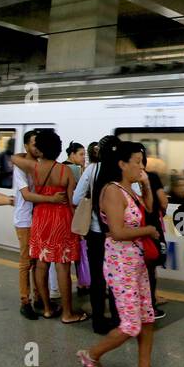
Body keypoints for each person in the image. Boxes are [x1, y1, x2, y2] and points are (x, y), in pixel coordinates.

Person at [77, 139, 170, 367]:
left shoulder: (130, 188)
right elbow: (117, 231)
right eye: (137, 162)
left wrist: (146, 184)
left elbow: (150, 207)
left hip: (137, 262)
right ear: (121, 164)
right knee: (130, 324)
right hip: (121, 263)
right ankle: (91, 355)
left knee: (148, 317)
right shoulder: (111, 191)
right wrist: (149, 230)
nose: (141, 167)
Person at [9, 129, 85, 324]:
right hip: (61, 218)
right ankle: (68, 313)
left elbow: (15, 159)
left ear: (40, 149)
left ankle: (48, 309)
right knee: (62, 266)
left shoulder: (33, 168)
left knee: (41, 264)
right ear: (59, 149)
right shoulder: (65, 171)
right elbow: (71, 201)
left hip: (41, 217)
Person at [12, 129, 59, 320]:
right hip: (24, 220)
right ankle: (25, 301)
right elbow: (26, 195)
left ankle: (39, 297)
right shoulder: (20, 168)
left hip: (38, 219)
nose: (37, 147)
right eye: (33, 143)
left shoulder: (39, 164)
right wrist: (52, 200)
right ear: (25, 146)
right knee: (27, 262)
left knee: (40, 260)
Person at [73, 137, 113, 328]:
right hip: (117, 235)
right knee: (116, 276)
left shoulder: (92, 169)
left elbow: (75, 199)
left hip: (95, 233)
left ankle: (98, 320)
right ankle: (118, 317)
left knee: (98, 277)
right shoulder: (121, 170)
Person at [132, 153, 169, 321]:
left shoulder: (121, 182)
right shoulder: (151, 177)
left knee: (138, 268)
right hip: (150, 228)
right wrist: (161, 212)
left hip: (133, 230)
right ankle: (150, 305)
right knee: (150, 266)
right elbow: (163, 201)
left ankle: (141, 303)